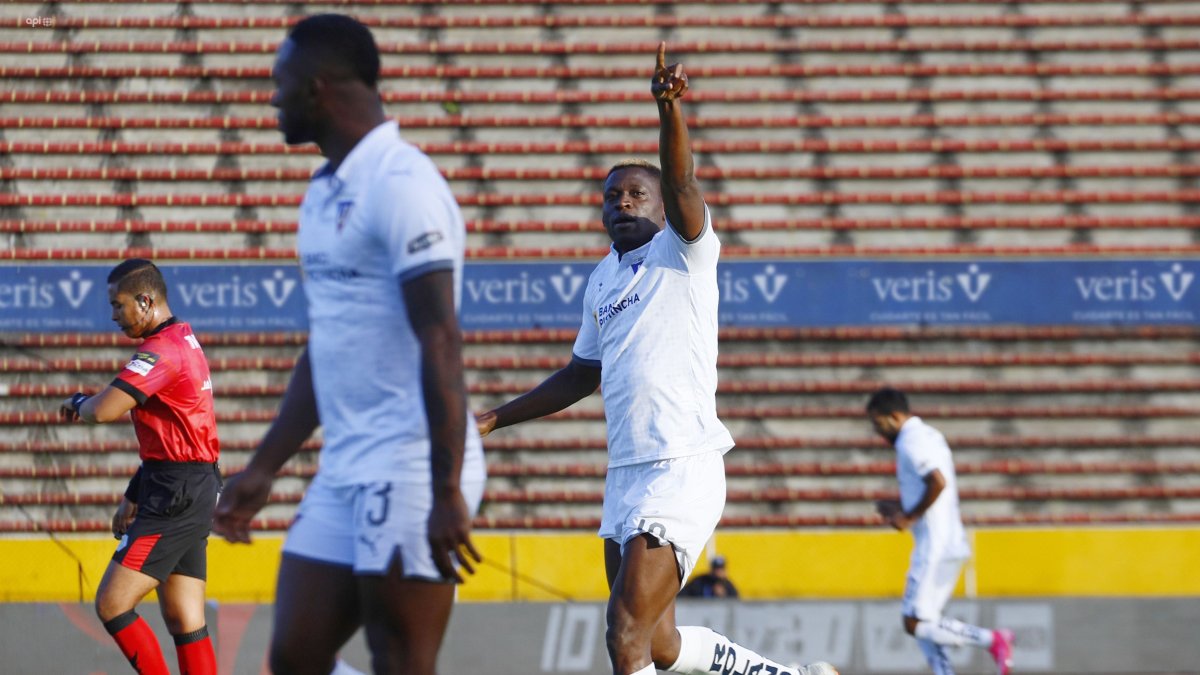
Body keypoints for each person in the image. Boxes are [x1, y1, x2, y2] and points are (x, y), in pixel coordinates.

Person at [476, 43, 837, 675]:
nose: (622, 203)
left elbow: (683, 179)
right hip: (626, 474)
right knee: (660, 644)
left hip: (680, 465)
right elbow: (580, 374)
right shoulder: (601, 280)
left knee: (624, 636)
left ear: (660, 206)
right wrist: (495, 419)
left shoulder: (684, 251)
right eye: (612, 195)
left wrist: (668, 110)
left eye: (636, 195)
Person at [211, 14, 485, 675]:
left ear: (320, 87)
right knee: (296, 657)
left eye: (281, 82)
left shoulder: (403, 185)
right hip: (345, 465)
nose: (272, 97)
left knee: (400, 657)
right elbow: (325, 346)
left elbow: (441, 338)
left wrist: (446, 487)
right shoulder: (322, 193)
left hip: (413, 464)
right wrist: (265, 466)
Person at [58, 258, 220, 675]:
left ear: (145, 301)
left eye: (118, 305)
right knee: (185, 618)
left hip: (176, 494)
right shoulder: (184, 339)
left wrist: (79, 403)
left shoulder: (161, 352)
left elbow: (104, 410)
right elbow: (172, 439)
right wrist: (134, 493)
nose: (113, 316)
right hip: (186, 483)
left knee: (112, 603)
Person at [866, 387, 1015, 675]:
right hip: (950, 540)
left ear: (894, 416)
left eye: (878, 422)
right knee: (926, 622)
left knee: (913, 622)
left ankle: (992, 639)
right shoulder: (930, 435)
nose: (877, 431)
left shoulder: (911, 441)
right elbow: (933, 487)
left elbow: (937, 482)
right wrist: (900, 506)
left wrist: (908, 516)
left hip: (934, 545)